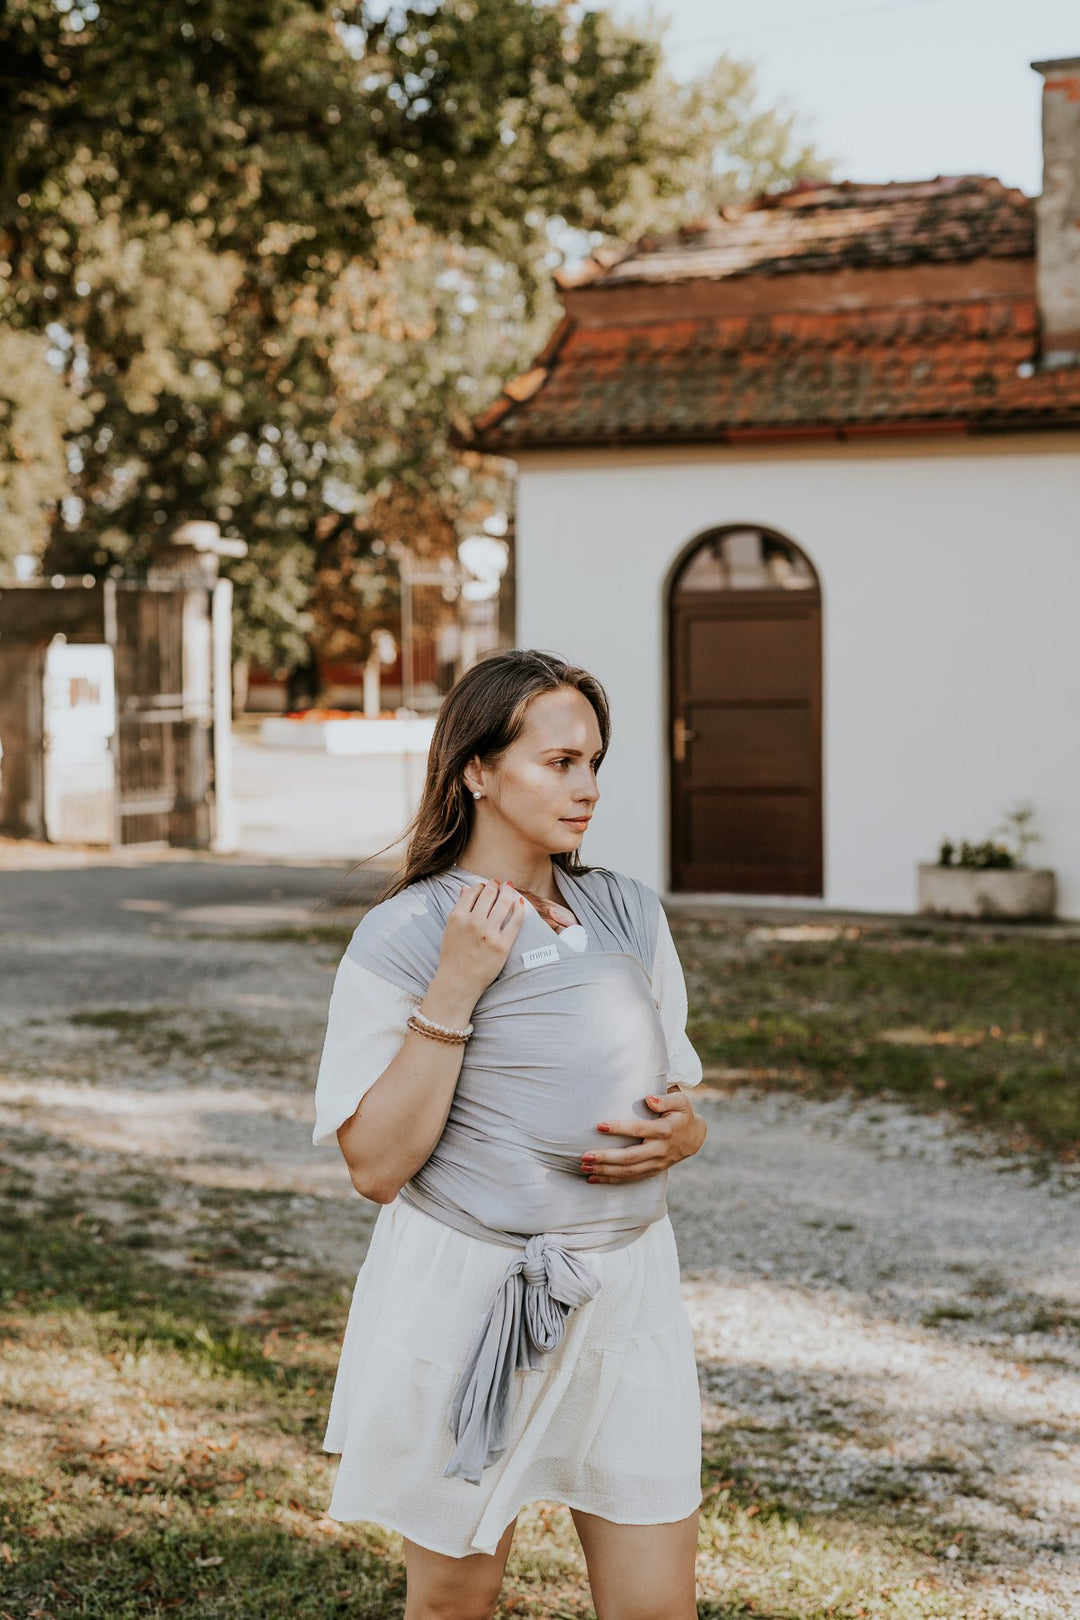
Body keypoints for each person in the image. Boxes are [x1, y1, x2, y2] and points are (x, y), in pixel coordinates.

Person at [313, 649, 707, 1620]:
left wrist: (687, 1134)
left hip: (629, 1293)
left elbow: (679, 1085)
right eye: (559, 762)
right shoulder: (403, 935)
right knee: (454, 1600)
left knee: (658, 1607)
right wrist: (456, 986)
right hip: (471, 1295)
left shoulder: (627, 912)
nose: (588, 788)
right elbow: (374, 1165)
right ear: (477, 771)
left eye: (594, 763)